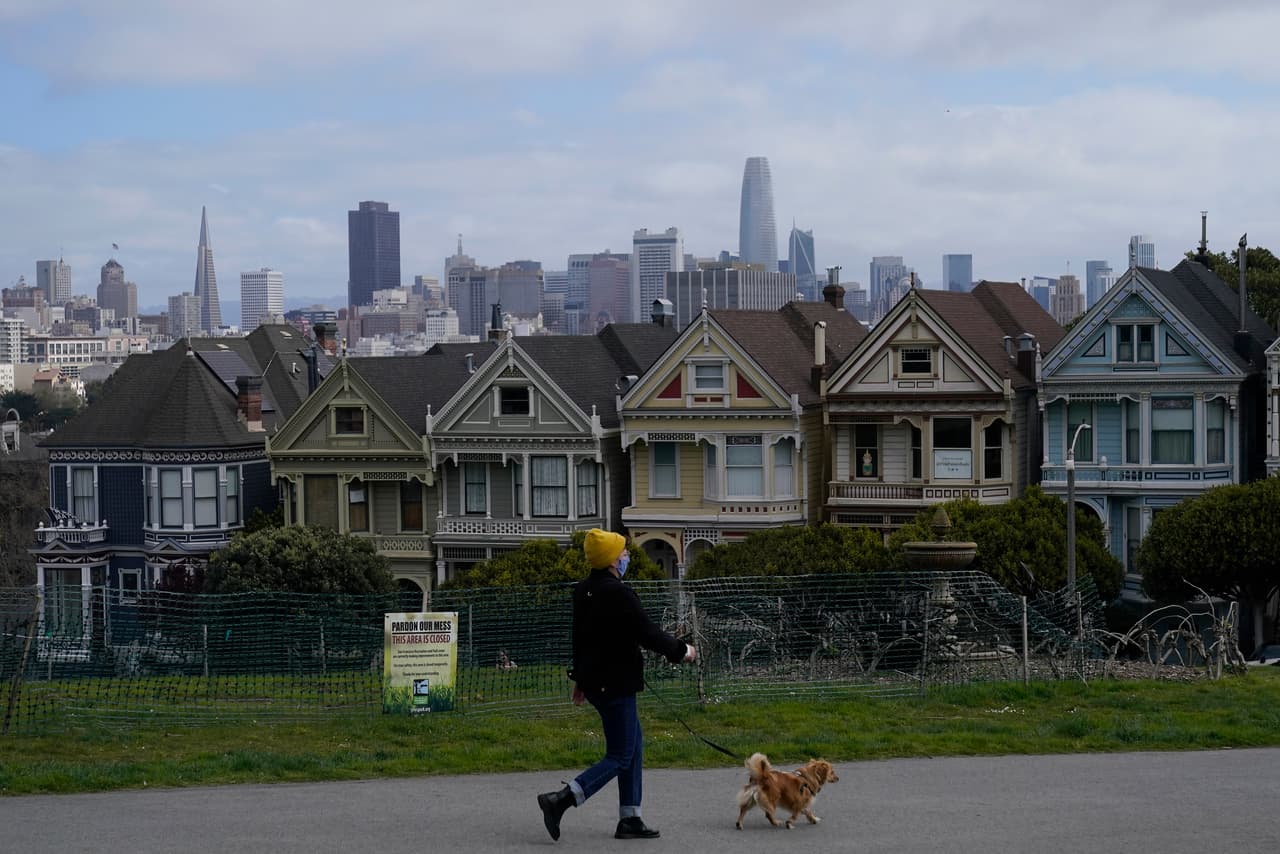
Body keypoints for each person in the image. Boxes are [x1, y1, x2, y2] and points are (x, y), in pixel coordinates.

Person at [537, 528, 697, 842]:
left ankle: (630, 818)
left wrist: (581, 678)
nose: (626, 556)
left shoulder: (583, 590)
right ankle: (562, 799)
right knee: (621, 754)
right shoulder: (618, 593)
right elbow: (647, 632)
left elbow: (580, 639)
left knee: (633, 746)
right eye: (622, 552)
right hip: (616, 683)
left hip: (598, 681)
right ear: (612, 559)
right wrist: (682, 651)